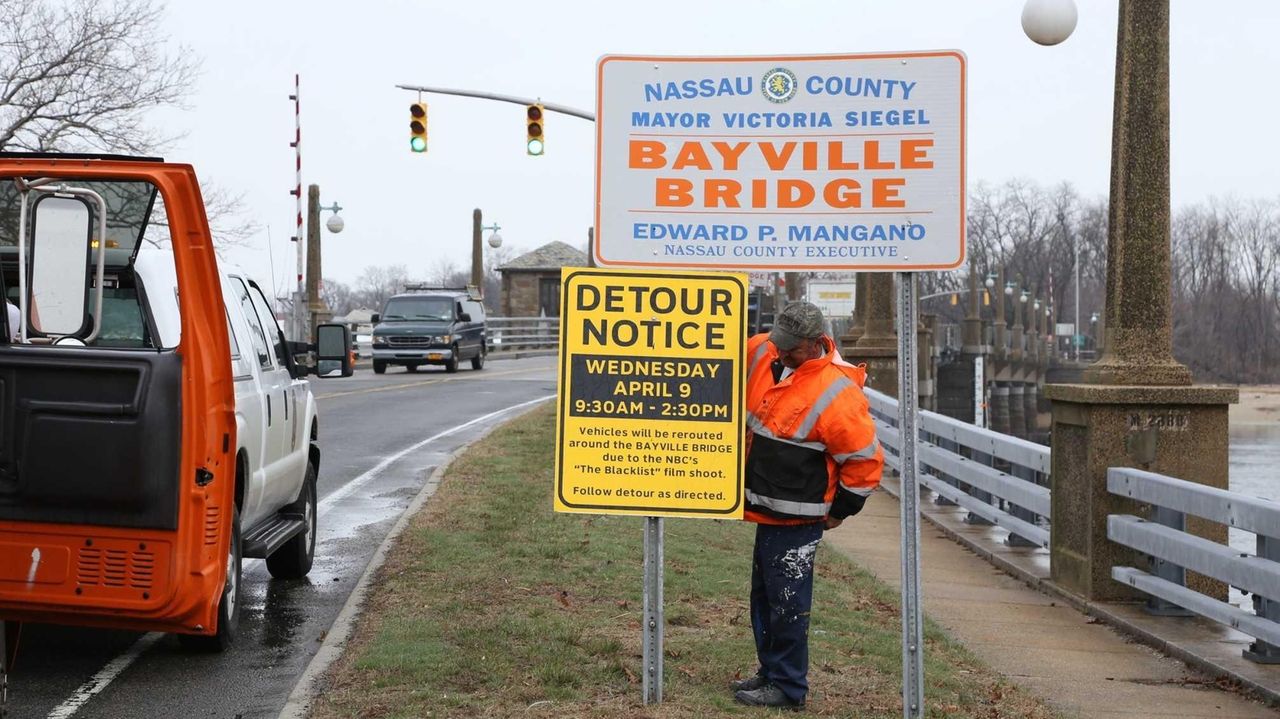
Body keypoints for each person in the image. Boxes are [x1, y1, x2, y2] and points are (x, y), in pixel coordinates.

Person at [733, 300, 884, 710]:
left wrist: (840, 512)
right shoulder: (764, 349)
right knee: (767, 598)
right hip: (768, 510)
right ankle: (771, 673)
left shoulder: (837, 393)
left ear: (816, 343)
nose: (781, 354)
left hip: (798, 519)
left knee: (788, 603)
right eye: (779, 344)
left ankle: (787, 686)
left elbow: (865, 462)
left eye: (792, 349)